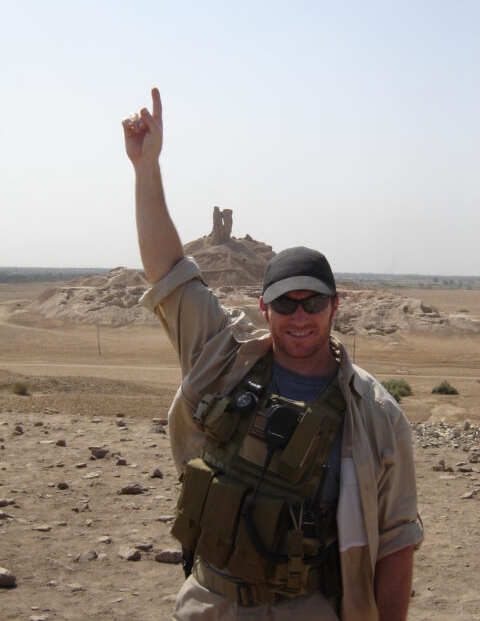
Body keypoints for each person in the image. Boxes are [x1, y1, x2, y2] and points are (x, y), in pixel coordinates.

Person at [122, 88, 423, 621]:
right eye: (286, 301)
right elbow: (169, 272)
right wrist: (148, 168)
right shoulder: (222, 356)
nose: (300, 314)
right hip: (209, 605)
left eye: (314, 301)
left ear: (336, 306)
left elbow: (397, 542)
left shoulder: (376, 415)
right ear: (264, 307)